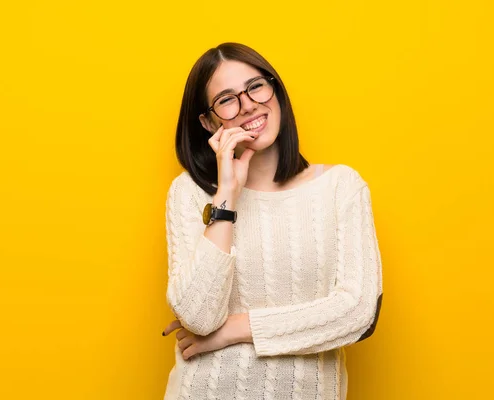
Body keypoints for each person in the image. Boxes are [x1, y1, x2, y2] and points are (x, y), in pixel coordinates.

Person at [161, 42, 383, 400]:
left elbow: (357, 312)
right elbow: (199, 318)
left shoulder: (341, 187)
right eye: (227, 99)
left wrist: (234, 330)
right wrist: (227, 196)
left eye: (256, 86)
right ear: (208, 121)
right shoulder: (190, 193)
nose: (248, 104)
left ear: (275, 89)